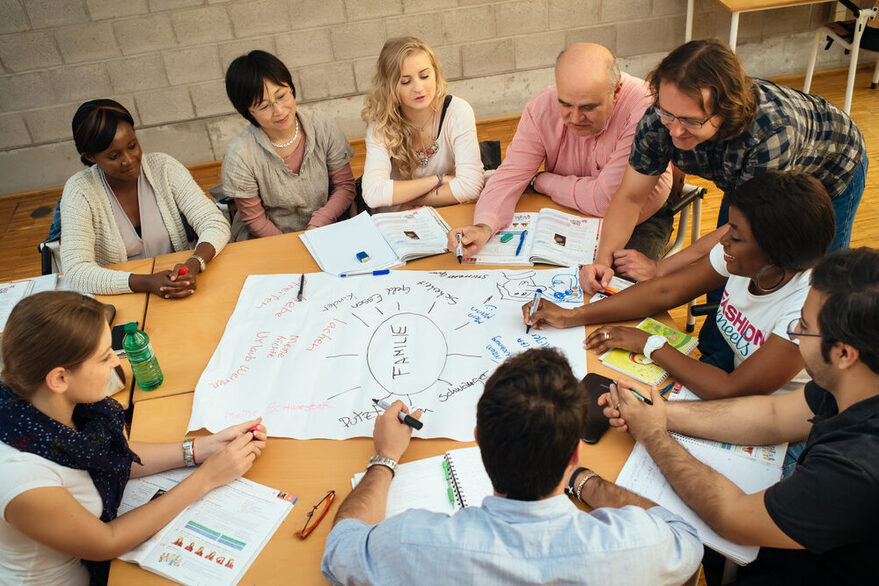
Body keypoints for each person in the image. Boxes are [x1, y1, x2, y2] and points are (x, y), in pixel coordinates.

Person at [601, 247, 879, 585]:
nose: (793, 333)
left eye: (803, 327)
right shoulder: (856, 379)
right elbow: (774, 414)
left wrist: (655, 435)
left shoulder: (855, 468)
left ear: (844, 353)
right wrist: (658, 413)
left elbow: (732, 516)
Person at [321, 347, 703, 584]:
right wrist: (585, 482)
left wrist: (385, 459)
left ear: (479, 439)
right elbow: (685, 537)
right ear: (573, 453)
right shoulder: (636, 544)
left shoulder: (413, 543)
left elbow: (340, 549)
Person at [0, 291, 265, 585]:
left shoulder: (44, 405)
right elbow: (106, 542)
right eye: (104, 357)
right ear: (59, 379)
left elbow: (113, 456)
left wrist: (199, 449)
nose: (116, 360)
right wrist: (207, 479)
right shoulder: (21, 477)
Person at [581, 38, 867, 294]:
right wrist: (603, 259)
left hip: (830, 170)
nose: (676, 130)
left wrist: (661, 269)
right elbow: (631, 196)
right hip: (749, 179)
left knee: (815, 282)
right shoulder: (661, 119)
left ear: (727, 109)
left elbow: (746, 226)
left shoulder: (772, 133)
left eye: (691, 120)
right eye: (668, 113)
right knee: (726, 269)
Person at [526, 171, 834, 397]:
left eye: (736, 236)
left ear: (777, 252)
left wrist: (648, 343)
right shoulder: (742, 257)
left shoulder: (806, 310)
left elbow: (730, 389)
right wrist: (571, 315)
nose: (723, 241)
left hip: (779, 425)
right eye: (729, 228)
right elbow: (665, 290)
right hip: (735, 391)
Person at [449, 43, 674, 260]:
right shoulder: (542, 106)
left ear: (616, 91)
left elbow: (607, 201)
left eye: (588, 107)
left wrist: (542, 181)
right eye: (565, 104)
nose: (575, 118)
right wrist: (483, 226)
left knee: (620, 292)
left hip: (638, 220)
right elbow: (510, 176)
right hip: (565, 210)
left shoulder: (646, 108)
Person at [60, 99, 231, 297]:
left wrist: (194, 263)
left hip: (180, 284)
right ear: (90, 157)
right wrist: (146, 282)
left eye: (132, 146)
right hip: (122, 295)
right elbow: (75, 271)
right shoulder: (80, 191)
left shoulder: (164, 168)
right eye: (114, 156)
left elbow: (214, 222)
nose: (129, 160)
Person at [223, 50, 356, 240]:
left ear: (291, 88)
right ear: (248, 112)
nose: (278, 110)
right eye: (263, 106)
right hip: (269, 240)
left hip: (328, 227)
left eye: (282, 96)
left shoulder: (322, 126)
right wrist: (290, 245)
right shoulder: (239, 154)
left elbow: (345, 187)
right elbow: (255, 220)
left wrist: (317, 225)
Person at [361, 36, 484, 211]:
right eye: (406, 81)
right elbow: (373, 194)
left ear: (435, 73)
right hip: (399, 219)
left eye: (424, 75)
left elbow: (470, 187)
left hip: (445, 209)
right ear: (389, 86)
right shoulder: (381, 125)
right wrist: (438, 180)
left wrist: (414, 200)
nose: (418, 88)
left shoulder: (457, 111)